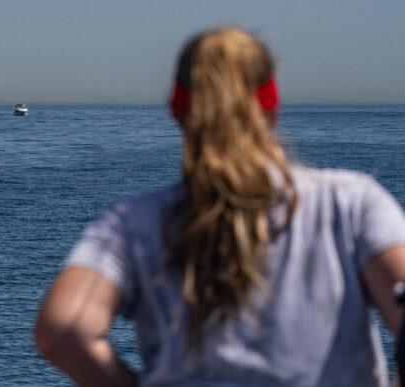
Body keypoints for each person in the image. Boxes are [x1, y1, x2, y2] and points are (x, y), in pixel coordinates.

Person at [34, 27, 405, 386]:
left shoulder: (134, 224)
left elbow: (62, 330)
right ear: (272, 107)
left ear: (177, 111)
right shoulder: (349, 204)